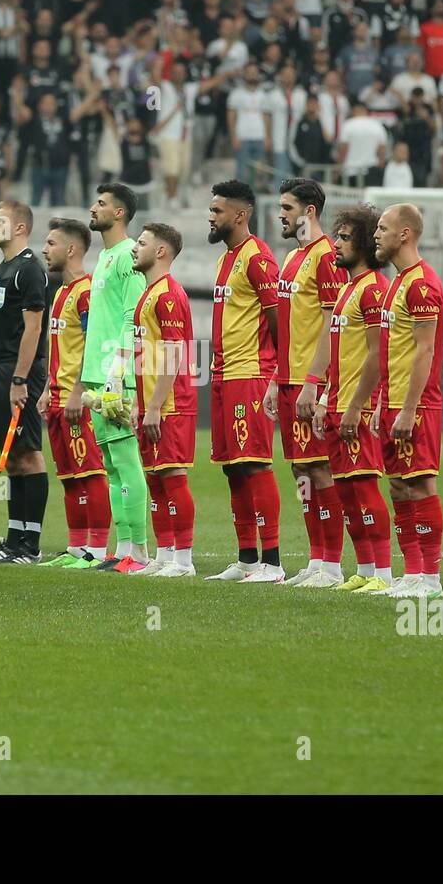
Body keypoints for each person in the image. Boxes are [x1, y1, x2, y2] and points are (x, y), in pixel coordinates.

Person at [264, 178, 347, 587]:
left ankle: (332, 564)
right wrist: (276, 380)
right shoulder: (293, 257)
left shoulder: (327, 256)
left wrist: (318, 383)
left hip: (312, 382)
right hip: (289, 380)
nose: (280, 214)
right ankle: (316, 560)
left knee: (320, 469)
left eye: (286, 207)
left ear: (309, 211)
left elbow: (334, 324)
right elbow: (290, 328)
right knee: (301, 470)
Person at [311, 204, 394, 593]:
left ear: (363, 241)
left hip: (357, 407)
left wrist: (357, 405)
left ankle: (383, 573)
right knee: (345, 489)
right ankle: (363, 569)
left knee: (363, 487)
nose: (335, 246)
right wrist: (327, 396)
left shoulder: (375, 289)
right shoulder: (348, 289)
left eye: (344, 238)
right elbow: (339, 352)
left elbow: (379, 355)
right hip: (338, 403)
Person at [203, 180, 282, 582]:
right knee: (233, 468)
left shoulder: (258, 258)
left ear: (240, 214)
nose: (211, 217)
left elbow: (277, 323)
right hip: (222, 375)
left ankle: (273, 561)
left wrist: (276, 374)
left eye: (217, 211)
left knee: (254, 464)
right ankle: (247, 558)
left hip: (250, 374)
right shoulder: (225, 260)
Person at [70, 184, 150, 572]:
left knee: (125, 459)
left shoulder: (127, 256)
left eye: (100, 203)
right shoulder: (104, 257)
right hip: (99, 377)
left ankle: (139, 550)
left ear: (119, 213)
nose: (93, 207)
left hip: (118, 376)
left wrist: (119, 372)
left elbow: (131, 316)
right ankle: (123, 549)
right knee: (112, 466)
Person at [368, 204, 443, 599]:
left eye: (382, 228)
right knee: (398, 486)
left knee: (420, 483)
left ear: (404, 234)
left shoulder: (422, 284)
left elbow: (425, 350)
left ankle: (429, 578)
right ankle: (411, 572)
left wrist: (410, 408)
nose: (376, 235)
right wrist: (383, 401)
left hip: (418, 405)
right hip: (394, 401)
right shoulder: (398, 283)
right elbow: (392, 351)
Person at [38, 218, 111, 569]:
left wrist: (78, 391)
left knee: (90, 472)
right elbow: (61, 348)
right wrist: (45, 389)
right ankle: (75, 547)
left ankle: (96, 550)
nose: (44, 249)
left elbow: (94, 346)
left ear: (70, 249)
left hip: (78, 400)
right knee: (68, 476)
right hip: (56, 396)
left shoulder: (86, 291)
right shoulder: (60, 293)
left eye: (50, 243)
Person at [0, 200, 50, 564]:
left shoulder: (28, 270)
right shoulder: (5, 267)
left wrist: (19, 378)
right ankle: (14, 539)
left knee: (28, 452)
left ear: (20, 227)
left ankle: (31, 545)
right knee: (12, 457)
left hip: (21, 371)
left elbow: (33, 328)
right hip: (3, 368)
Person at [130, 223, 197, 577]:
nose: (134, 248)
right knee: (155, 479)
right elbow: (146, 355)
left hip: (172, 403)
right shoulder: (148, 293)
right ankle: (165, 553)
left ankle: (183, 561)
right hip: (153, 402)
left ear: (160, 252)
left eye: (140, 243)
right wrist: (140, 404)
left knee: (172, 475)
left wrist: (155, 406)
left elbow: (173, 353)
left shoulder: (168, 294)